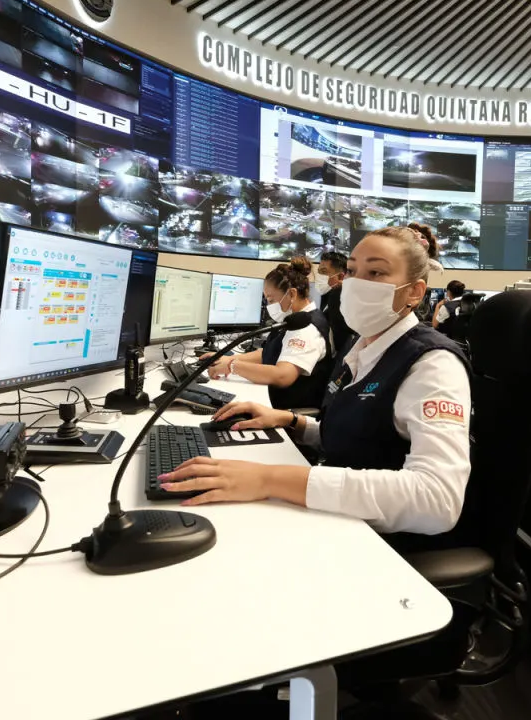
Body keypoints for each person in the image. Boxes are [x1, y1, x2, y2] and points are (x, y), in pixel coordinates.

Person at [162, 227, 471, 550]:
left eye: (376, 272)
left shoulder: (433, 364)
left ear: (414, 292)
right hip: (340, 517)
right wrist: (291, 422)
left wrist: (270, 479)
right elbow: (357, 437)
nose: (355, 283)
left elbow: (438, 501)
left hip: (382, 544)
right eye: (352, 271)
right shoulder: (361, 346)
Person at [206, 256, 333, 411]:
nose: (269, 306)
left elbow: (283, 376)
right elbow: (269, 353)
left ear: (292, 294)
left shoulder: (306, 329)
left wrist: (233, 366)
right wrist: (227, 359)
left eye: (271, 300)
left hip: (288, 410)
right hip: (272, 399)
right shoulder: (294, 319)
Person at [315, 250, 354, 355]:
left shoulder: (340, 295)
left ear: (341, 276)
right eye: (318, 272)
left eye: (324, 272)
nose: (319, 276)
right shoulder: (329, 295)